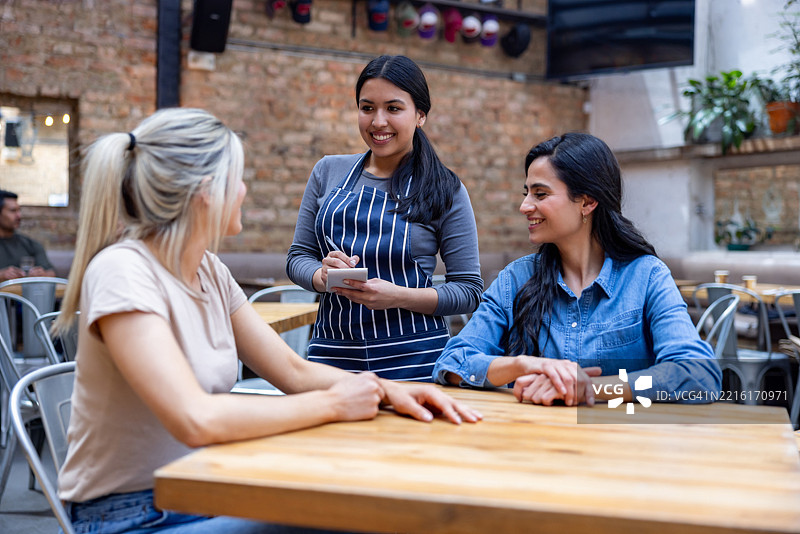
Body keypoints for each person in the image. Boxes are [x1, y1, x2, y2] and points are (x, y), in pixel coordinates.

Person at [53, 108, 481, 534]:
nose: (243, 190)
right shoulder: (123, 271)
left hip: (204, 491)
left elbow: (292, 371)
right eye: (236, 178)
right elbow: (196, 419)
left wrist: (390, 391)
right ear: (207, 191)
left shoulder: (209, 271)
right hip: (130, 515)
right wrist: (335, 404)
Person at [433, 133, 721, 406]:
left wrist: (591, 389)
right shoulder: (515, 279)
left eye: (540, 194)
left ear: (587, 202)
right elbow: (452, 363)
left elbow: (699, 375)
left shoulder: (646, 276)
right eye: (527, 193)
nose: (524, 206)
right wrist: (522, 365)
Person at [286, 55, 483, 382]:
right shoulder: (327, 172)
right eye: (367, 108)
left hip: (415, 364)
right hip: (332, 358)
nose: (378, 121)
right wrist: (322, 276)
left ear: (420, 115)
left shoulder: (446, 189)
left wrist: (398, 296)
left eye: (393, 108)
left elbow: (468, 291)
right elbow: (298, 257)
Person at [0, 189, 56, 281]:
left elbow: (52, 274)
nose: (19, 216)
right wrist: (1, 275)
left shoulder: (30, 244)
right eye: (13, 211)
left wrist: (42, 274)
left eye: (19, 210)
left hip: (24, 295)